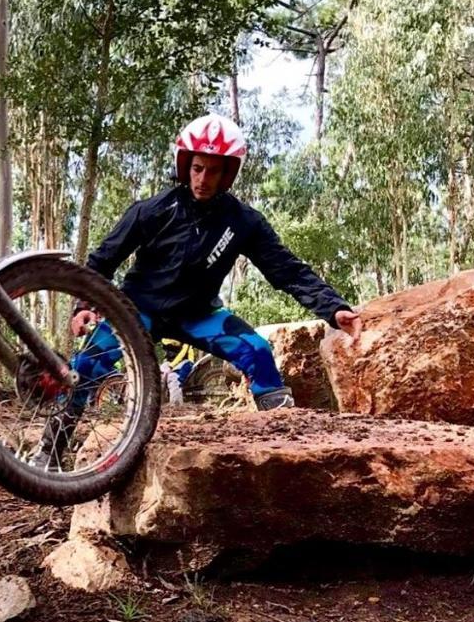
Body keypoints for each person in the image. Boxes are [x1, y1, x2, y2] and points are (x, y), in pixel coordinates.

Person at [33, 114, 360, 468]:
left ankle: (285, 452)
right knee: (87, 366)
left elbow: (288, 271)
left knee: (259, 352)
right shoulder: (151, 211)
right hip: (136, 310)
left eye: (213, 171)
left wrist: (333, 308)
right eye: (198, 168)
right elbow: (101, 261)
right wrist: (85, 305)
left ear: (228, 174)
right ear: (185, 165)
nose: (203, 179)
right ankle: (48, 454)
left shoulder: (244, 222)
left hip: (200, 314)